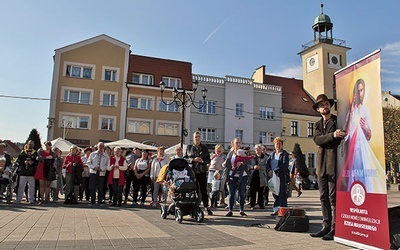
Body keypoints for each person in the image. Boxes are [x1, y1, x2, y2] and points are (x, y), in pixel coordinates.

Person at [339, 78, 385, 193]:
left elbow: (369, 136)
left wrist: (365, 128)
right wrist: (351, 113)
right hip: (353, 150)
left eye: (361, 90)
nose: (359, 94)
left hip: (363, 150)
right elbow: (346, 133)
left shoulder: (366, 110)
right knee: (354, 176)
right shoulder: (351, 111)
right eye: (357, 91)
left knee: (365, 176)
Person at [310, 94, 345, 241]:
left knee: (333, 198)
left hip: (333, 163)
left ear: (329, 106)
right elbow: (317, 140)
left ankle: (334, 228)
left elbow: (340, 137)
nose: (324, 106)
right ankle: (325, 225)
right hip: (321, 165)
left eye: (326, 104)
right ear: (318, 109)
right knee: (323, 197)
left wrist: (335, 136)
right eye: (321, 105)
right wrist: (332, 135)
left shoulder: (337, 120)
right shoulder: (317, 124)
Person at [185, 131, 212, 215]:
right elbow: (185, 158)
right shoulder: (189, 148)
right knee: (193, 189)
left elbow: (208, 159)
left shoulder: (204, 148)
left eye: (199, 137)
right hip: (192, 172)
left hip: (202, 171)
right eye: (196, 137)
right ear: (193, 138)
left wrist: (203, 160)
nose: (197, 138)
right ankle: (194, 206)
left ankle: (206, 206)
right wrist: (193, 159)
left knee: (204, 190)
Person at [223, 137, 250, 217]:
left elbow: (248, 161)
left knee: (242, 193)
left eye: (239, 143)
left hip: (242, 176)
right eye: (236, 143)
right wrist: (232, 166)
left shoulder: (243, 152)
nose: (238, 144)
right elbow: (227, 163)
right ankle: (230, 210)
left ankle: (241, 210)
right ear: (233, 144)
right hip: (233, 175)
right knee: (231, 193)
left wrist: (241, 162)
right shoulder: (230, 153)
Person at [266, 137, 289, 215]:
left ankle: (283, 211)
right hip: (273, 177)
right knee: (275, 194)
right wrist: (269, 170)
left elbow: (285, 165)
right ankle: (276, 210)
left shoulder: (284, 154)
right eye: (276, 144)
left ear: (282, 145)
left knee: (282, 194)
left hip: (281, 177)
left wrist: (275, 170)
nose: (278, 146)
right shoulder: (272, 154)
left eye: (279, 144)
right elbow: (267, 163)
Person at [249, 144, 267, 210]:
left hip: (261, 177)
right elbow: (249, 165)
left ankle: (261, 204)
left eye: (258, 149)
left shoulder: (265, 158)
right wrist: (252, 167)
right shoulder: (253, 158)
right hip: (253, 176)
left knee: (261, 191)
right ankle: (252, 204)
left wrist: (260, 167)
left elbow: (267, 167)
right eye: (256, 150)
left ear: (261, 150)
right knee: (252, 191)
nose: (257, 151)